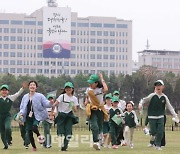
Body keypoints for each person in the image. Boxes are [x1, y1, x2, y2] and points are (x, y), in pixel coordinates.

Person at [138, 80, 179, 150]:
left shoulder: (164, 97)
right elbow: (144, 100)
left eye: (160, 85)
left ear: (163, 87)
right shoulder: (152, 95)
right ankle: (151, 137)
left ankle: (158, 145)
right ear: (155, 87)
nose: (158, 87)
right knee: (153, 131)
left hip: (160, 116)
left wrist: (175, 115)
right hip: (152, 116)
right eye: (157, 85)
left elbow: (170, 107)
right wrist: (140, 104)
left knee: (160, 131)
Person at [19, 81, 53, 151]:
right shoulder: (25, 97)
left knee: (34, 128)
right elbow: (22, 107)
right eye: (31, 85)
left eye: (34, 85)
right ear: (29, 87)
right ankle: (34, 147)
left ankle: (39, 136)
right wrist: (21, 113)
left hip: (37, 115)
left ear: (36, 87)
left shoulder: (40, 96)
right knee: (29, 132)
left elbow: (46, 103)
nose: (32, 86)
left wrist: (50, 103)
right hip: (28, 116)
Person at [84, 73, 108, 150]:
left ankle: (100, 140)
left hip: (100, 109)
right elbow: (87, 96)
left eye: (92, 83)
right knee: (94, 126)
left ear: (96, 83)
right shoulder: (88, 90)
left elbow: (106, 89)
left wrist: (101, 78)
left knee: (100, 126)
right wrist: (86, 101)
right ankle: (96, 142)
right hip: (92, 109)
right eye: (89, 82)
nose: (90, 84)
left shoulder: (100, 90)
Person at [52, 82, 79, 151]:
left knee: (68, 132)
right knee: (61, 131)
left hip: (69, 116)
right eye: (66, 88)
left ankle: (64, 147)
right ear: (65, 89)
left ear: (72, 89)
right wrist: (52, 112)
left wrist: (72, 106)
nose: (68, 89)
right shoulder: (62, 96)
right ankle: (62, 140)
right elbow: (55, 104)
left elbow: (75, 110)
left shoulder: (74, 99)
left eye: (69, 88)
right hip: (61, 115)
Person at [0, 83, 27, 149]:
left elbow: (18, 94)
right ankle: (5, 145)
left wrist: (22, 88)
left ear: (8, 91)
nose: (4, 91)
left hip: (7, 116)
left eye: (5, 90)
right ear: (0, 91)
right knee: (2, 132)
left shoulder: (10, 98)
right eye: (2, 90)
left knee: (8, 128)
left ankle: (9, 140)